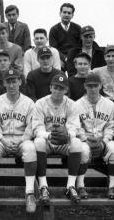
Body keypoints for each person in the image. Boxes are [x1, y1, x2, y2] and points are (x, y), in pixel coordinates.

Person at [0, 69, 37, 213]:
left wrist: (22, 140)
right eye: (9, 81)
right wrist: (3, 140)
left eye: (14, 81)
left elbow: (31, 127)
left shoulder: (28, 103)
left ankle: (30, 193)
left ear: (20, 82)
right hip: (2, 138)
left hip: (22, 138)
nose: (12, 85)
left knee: (31, 149)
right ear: (4, 83)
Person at [32, 74, 84, 203]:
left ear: (66, 90)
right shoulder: (40, 103)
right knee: (38, 142)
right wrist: (48, 135)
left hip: (64, 141)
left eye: (61, 88)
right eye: (55, 87)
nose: (57, 91)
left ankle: (70, 186)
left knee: (77, 143)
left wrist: (67, 135)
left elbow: (74, 127)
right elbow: (37, 128)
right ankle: (43, 186)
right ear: (50, 87)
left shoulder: (72, 104)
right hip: (47, 141)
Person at [75, 73, 114, 199]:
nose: (93, 89)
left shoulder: (109, 104)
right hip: (86, 140)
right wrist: (85, 140)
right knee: (82, 150)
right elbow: (77, 127)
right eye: (90, 86)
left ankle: (112, 187)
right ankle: (80, 186)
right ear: (85, 86)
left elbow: (110, 127)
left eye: (95, 86)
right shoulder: (77, 104)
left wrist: (104, 142)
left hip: (103, 139)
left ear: (100, 86)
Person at [49, 3, 82, 70]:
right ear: (60, 13)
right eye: (64, 12)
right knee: (57, 71)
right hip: (60, 58)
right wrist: (65, 58)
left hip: (75, 57)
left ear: (72, 15)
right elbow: (54, 48)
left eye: (69, 13)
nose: (66, 15)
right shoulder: (54, 29)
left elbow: (80, 45)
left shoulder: (78, 28)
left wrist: (73, 57)